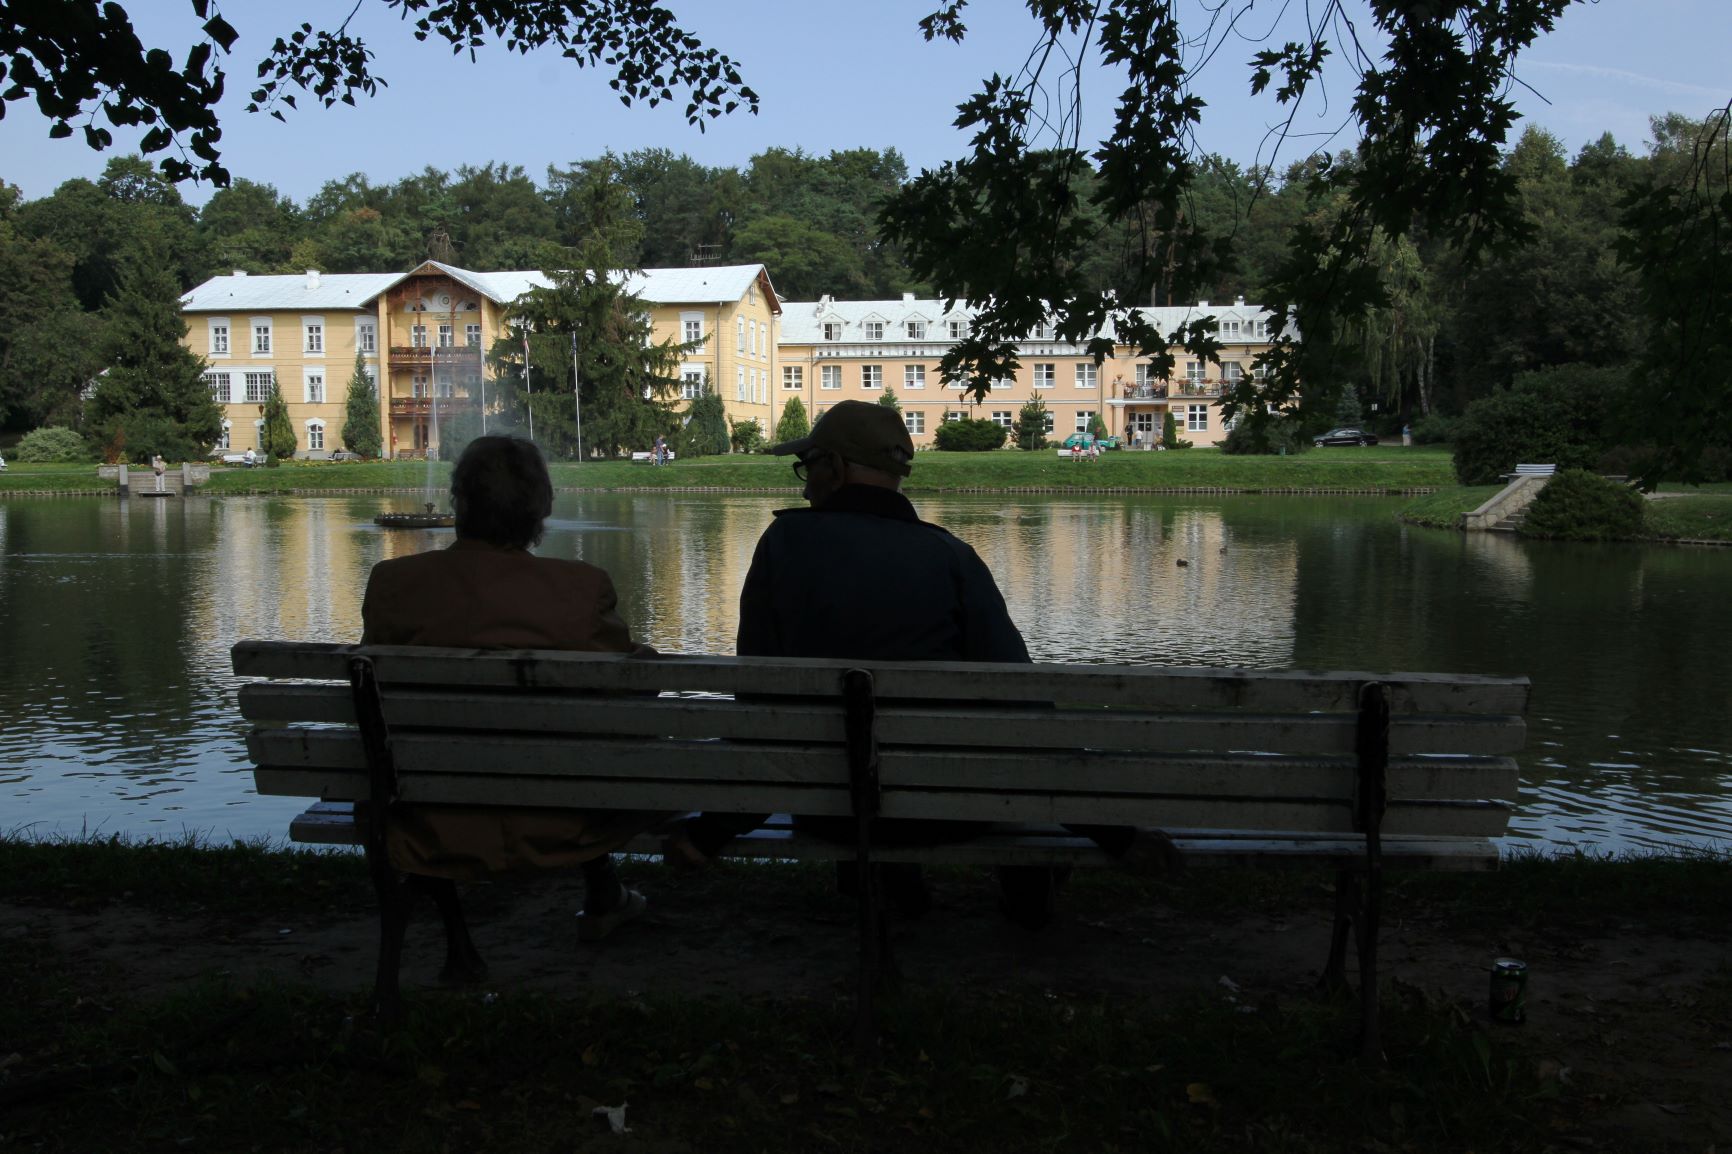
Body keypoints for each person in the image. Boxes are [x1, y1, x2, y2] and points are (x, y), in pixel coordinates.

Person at [665, 400, 1176, 927]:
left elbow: (759, 702)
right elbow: (1024, 706)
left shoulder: (781, 546)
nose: (803, 486)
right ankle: (1017, 888)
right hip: (946, 812)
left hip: (831, 812)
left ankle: (891, 887)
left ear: (835, 467)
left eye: (808, 466)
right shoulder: (952, 557)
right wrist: (1116, 835)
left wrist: (712, 830)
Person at [361, 434, 661, 941]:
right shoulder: (580, 589)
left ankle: (459, 944)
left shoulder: (393, 584)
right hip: (561, 819)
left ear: (459, 503)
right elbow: (635, 688)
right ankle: (604, 891)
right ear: (541, 510)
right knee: (592, 743)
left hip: (426, 816)